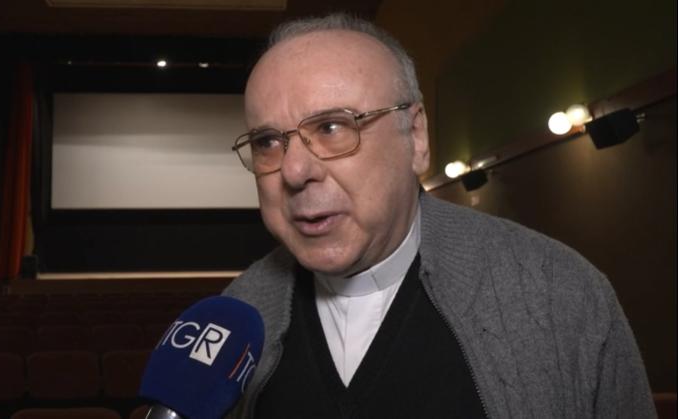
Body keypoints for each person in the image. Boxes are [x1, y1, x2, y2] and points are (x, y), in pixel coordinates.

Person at [223, 13, 655, 419]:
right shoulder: (235, 314)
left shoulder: (561, 295)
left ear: (416, 136)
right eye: (267, 142)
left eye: (331, 127)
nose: (294, 171)